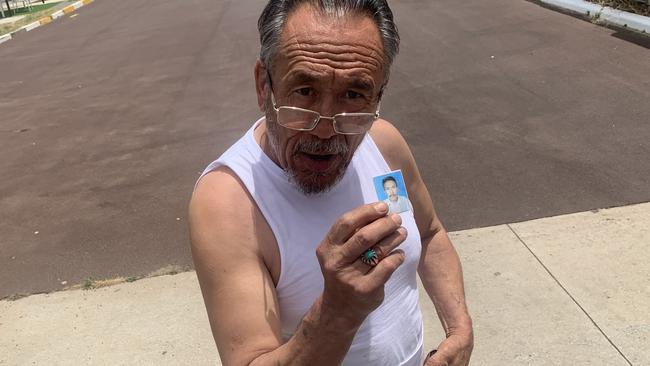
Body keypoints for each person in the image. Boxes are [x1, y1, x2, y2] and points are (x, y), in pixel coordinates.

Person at [189, 1, 473, 365]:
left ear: (379, 96)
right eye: (305, 90)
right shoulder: (229, 201)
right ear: (265, 86)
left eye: (354, 96)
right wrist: (336, 314)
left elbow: (430, 233)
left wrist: (459, 328)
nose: (325, 128)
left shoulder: (384, 145)